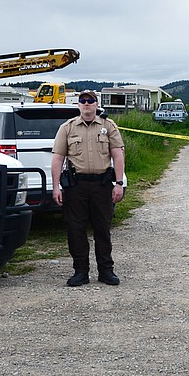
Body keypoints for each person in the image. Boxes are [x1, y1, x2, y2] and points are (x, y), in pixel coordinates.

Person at [51, 89, 126, 287]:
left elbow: (118, 155)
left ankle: (106, 271)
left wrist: (119, 184)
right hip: (77, 187)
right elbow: (58, 158)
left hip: (102, 185)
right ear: (78, 104)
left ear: (96, 104)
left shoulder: (108, 126)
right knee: (76, 229)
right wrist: (55, 187)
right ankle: (80, 271)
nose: (86, 104)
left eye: (90, 101)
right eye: (83, 101)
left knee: (102, 228)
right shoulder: (67, 128)